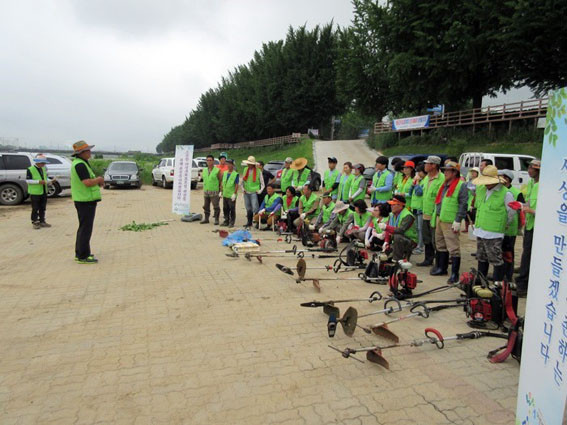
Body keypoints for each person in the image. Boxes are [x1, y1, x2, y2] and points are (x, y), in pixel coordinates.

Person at [472, 165, 515, 283]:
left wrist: (504, 224)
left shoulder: (506, 193)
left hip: (494, 233)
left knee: (496, 259)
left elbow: (511, 212)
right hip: (480, 230)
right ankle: (481, 282)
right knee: (481, 258)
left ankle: (497, 283)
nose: (486, 184)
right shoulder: (482, 190)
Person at [431, 161, 468, 282]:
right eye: (445, 170)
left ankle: (455, 274)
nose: (445, 172)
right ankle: (442, 268)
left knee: (453, 247)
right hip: (440, 217)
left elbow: (463, 204)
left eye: (448, 170)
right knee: (440, 244)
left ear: (455, 172)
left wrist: (458, 220)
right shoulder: (445, 184)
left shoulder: (461, 185)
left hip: (450, 220)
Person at [70, 140, 104, 264]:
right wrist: (99, 179)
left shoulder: (81, 162)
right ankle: (83, 256)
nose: (90, 152)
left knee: (83, 228)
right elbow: (87, 182)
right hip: (85, 200)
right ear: (81, 152)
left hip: (83, 199)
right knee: (85, 229)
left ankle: (80, 253)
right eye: (87, 150)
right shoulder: (80, 165)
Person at [516, 159, 540, 296]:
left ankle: (523, 284)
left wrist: (531, 211)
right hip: (530, 225)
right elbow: (529, 202)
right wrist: (521, 206)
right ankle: (523, 280)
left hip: (538, 227)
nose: (529, 170)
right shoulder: (531, 183)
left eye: (532, 168)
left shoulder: (543, 186)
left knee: (529, 255)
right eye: (529, 167)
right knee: (526, 253)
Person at [417, 156, 445, 267]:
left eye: (427, 163)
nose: (425, 165)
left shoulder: (442, 179)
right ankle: (428, 259)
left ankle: (439, 263)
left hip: (435, 215)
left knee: (436, 240)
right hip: (425, 213)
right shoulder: (426, 178)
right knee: (427, 238)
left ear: (433, 165)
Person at [499, 169, 525, 282]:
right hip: (499, 227)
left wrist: (519, 226)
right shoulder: (499, 190)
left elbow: (521, 211)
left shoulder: (516, 193)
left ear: (507, 179)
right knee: (499, 253)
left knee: (508, 254)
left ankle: (508, 277)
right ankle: (500, 275)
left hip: (510, 228)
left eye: (501, 177)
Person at [376, 195, 418, 261]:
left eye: (393, 204)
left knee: (397, 236)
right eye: (391, 204)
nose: (391, 206)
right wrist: (386, 242)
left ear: (400, 205)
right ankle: (398, 254)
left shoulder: (408, 215)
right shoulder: (391, 214)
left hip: (409, 240)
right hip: (395, 240)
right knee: (383, 258)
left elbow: (400, 230)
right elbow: (387, 230)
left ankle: (398, 260)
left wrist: (386, 227)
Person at [26, 154, 52, 229]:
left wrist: (50, 181)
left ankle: (42, 221)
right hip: (35, 192)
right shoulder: (30, 169)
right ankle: (35, 222)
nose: (44, 164)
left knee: (42, 207)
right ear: (38, 162)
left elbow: (45, 178)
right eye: (43, 163)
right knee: (35, 208)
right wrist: (38, 182)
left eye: (44, 163)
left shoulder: (43, 169)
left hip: (43, 191)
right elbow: (28, 180)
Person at [242, 156, 264, 228]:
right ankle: (249, 222)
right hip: (246, 191)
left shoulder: (258, 171)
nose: (248, 165)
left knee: (255, 208)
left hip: (254, 191)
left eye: (249, 164)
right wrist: (242, 188)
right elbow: (243, 180)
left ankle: (257, 222)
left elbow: (262, 183)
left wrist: (260, 190)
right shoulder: (245, 169)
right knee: (248, 208)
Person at [200, 155, 222, 225]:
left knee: (216, 206)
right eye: (207, 160)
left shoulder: (217, 170)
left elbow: (221, 180)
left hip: (214, 191)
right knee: (206, 206)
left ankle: (216, 219)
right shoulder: (204, 170)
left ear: (213, 161)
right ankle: (206, 219)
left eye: (210, 160)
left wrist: (220, 190)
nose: (209, 162)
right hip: (206, 191)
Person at [410, 164, 426, 254]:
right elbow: (410, 192)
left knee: (420, 228)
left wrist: (417, 184)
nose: (418, 174)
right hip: (415, 207)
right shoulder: (419, 181)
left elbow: (419, 193)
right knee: (416, 228)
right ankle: (418, 245)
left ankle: (420, 247)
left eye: (419, 172)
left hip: (421, 208)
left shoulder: (424, 181)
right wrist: (413, 184)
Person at [220, 159, 239, 227]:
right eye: (227, 164)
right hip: (225, 194)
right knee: (225, 208)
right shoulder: (225, 173)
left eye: (229, 164)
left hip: (231, 195)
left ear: (232, 165)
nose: (228, 165)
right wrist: (221, 191)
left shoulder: (235, 174)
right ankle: (226, 221)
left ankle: (232, 222)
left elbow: (236, 184)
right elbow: (222, 182)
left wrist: (234, 193)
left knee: (232, 209)